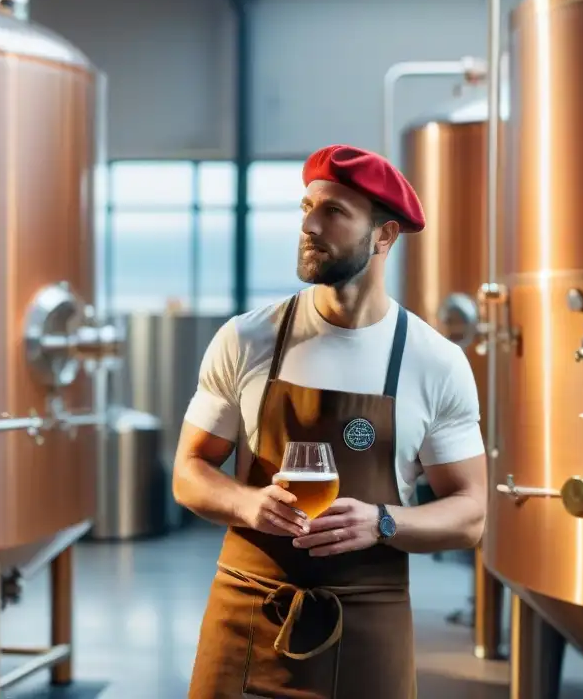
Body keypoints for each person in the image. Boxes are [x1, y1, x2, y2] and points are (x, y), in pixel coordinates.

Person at [173, 144, 488, 699]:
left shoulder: (434, 361)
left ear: (384, 237)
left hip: (367, 622)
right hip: (247, 611)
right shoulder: (248, 338)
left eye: (335, 212)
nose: (309, 225)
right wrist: (248, 503)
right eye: (306, 207)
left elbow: (470, 514)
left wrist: (383, 522)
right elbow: (189, 470)